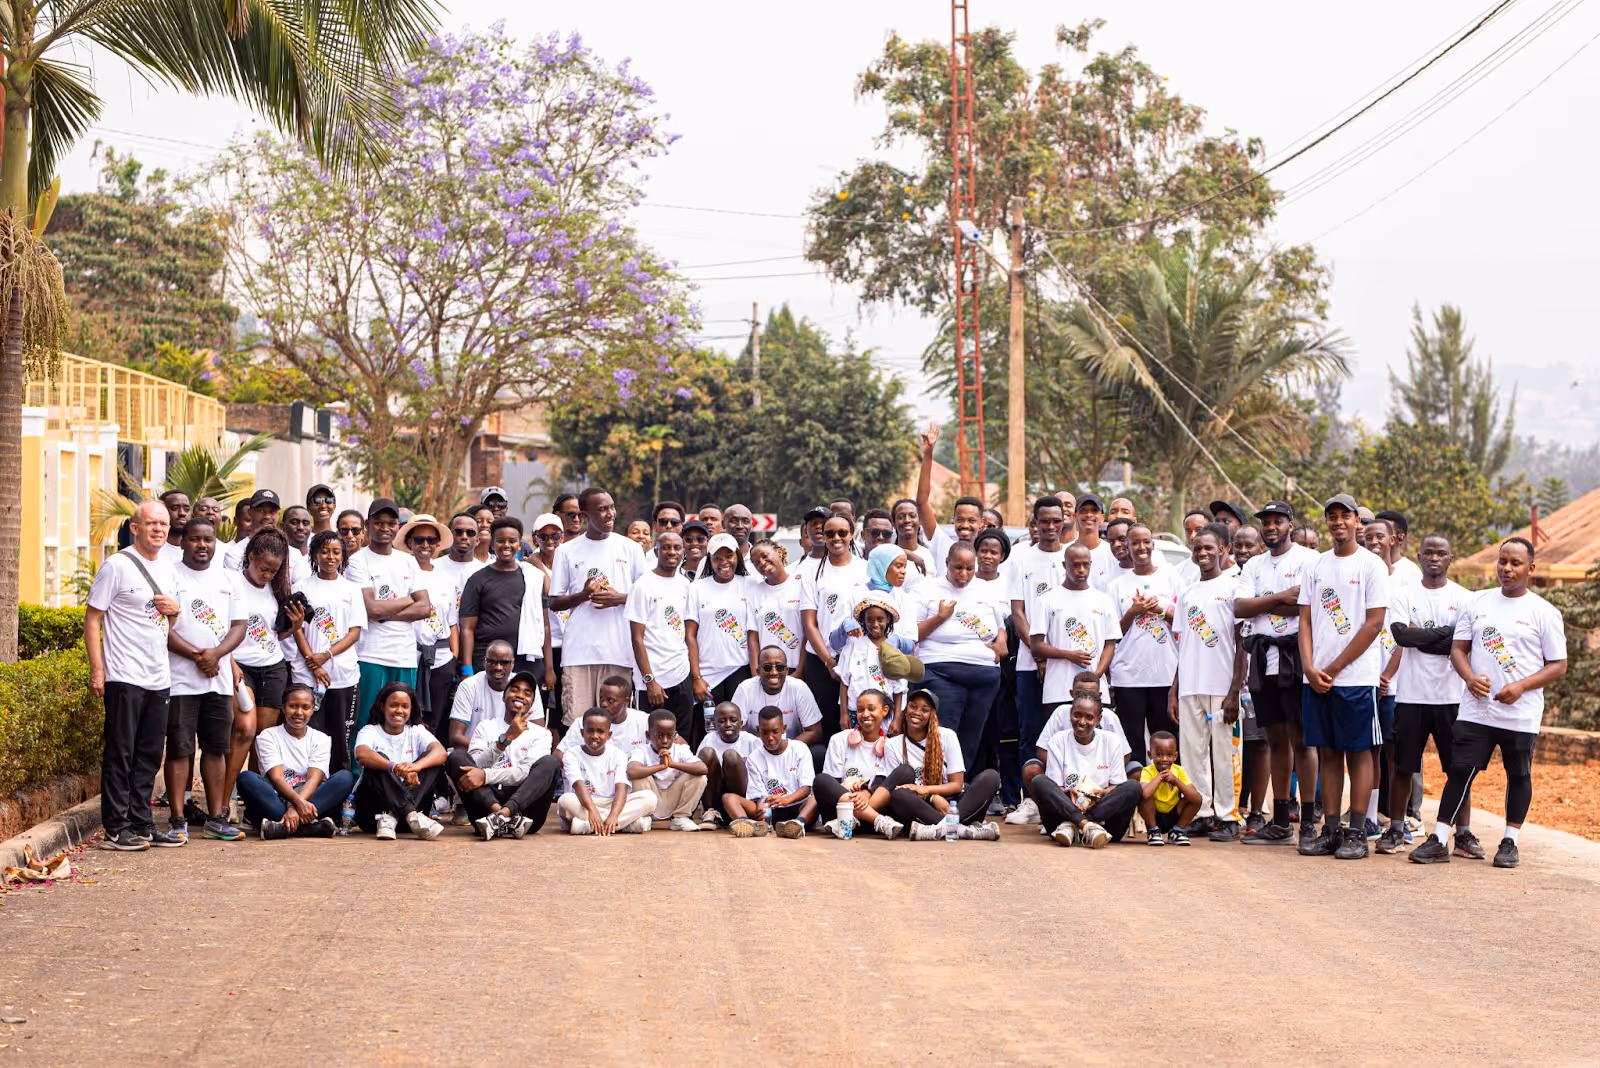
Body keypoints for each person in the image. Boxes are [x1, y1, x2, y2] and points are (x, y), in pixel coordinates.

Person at [1412, 538, 1567, 869]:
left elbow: (1558, 664)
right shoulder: (1477, 603)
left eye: (1515, 563)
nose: (1507, 569)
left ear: (1530, 569)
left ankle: (1510, 841)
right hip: (1477, 709)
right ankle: (1439, 838)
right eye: (1502, 561)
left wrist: (1521, 686)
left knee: (1518, 774)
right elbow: (1458, 649)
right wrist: (1469, 678)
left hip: (1520, 713)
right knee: (1460, 770)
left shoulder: (1544, 612)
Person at [1297, 494, 1390, 860]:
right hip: (1316, 677)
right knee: (1328, 753)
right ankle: (1331, 829)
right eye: (1331, 516)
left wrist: (1334, 668)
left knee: (1359, 752)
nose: (1338, 522)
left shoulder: (1371, 566)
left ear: (1357, 522)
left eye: (1344, 516)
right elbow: (1304, 619)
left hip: (1354, 678)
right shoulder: (1316, 566)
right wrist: (1309, 666)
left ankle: (1356, 833)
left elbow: (1375, 623)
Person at [87, 501, 181, 852]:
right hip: (124, 674)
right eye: (151, 523)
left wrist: (175, 613)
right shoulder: (117, 566)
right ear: (135, 527)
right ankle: (116, 827)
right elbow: (93, 618)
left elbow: (168, 622)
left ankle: (142, 823)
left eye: (164, 524)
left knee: (149, 753)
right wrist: (99, 670)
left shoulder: (170, 569)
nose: (158, 529)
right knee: (120, 752)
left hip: (159, 676)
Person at [1381, 533, 1478, 856]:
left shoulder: (1465, 598)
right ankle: (1396, 829)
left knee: (1458, 769)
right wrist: (1446, 637)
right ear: (1418, 556)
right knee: (1404, 767)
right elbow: (1400, 635)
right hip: (1411, 695)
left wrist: (1422, 636)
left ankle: (1462, 833)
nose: (1434, 558)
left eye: (1441, 553)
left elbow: (1463, 645)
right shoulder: (1404, 594)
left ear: (1451, 558)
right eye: (1428, 553)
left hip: (1452, 697)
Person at [1234, 501, 1319, 846]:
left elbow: (1305, 606)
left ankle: (1310, 821)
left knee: (1302, 739)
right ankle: (1281, 819)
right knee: (1276, 739)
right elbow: (1240, 607)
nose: (1271, 527)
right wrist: (1281, 597)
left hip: (1296, 657)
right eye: (1266, 522)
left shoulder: (1308, 560)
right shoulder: (1254, 563)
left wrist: (1264, 601)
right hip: (1263, 658)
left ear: (1289, 524)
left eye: (1277, 521)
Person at [164, 516, 248, 844]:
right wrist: (199, 656)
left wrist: (216, 655)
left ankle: (215, 819)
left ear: (216, 543)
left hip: (218, 681)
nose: (202, 545)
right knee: (180, 749)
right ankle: (177, 820)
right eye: (195, 539)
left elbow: (239, 626)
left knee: (216, 749)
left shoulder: (229, 578)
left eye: (208, 540)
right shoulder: (169, 576)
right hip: (181, 680)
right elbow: (163, 629)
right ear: (183, 541)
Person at [1170, 527, 1246, 841]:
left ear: (1223, 549)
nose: (1202, 553)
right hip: (1190, 685)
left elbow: (1242, 644)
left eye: (1209, 548)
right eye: (1197, 548)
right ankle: (1201, 812)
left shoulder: (1233, 587)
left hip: (1221, 686)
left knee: (1225, 754)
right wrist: (1174, 690)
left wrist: (1234, 690)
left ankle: (1228, 816)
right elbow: (1182, 643)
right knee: (1192, 753)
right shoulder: (1187, 591)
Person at [549, 487, 646, 727]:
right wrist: (583, 595)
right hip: (578, 653)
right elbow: (554, 602)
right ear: (584, 516)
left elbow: (648, 597)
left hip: (620, 652)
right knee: (578, 725)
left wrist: (620, 598)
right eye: (601, 510)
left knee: (616, 725)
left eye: (611, 507)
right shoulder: (566, 551)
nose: (610, 514)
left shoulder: (630, 548)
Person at [226, 526, 296, 830]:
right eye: (263, 567)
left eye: (274, 569)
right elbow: (218, 626)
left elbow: (276, 633)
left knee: (262, 739)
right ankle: (223, 802)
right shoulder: (231, 583)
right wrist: (228, 660)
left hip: (273, 666)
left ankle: (253, 806)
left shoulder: (277, 588)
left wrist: (294, 625)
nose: (267, 574)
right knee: (244, 729)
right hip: (241, 665)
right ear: (250, 556)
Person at [916, 542, 1007, 771]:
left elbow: (1000, 626)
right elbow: (912, 634)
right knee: (944, 734)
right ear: (946, 563)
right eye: (958, 568)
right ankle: (937, 786)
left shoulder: (986, 589)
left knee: (972, 738)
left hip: (984, 674)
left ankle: (960, 790)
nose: (964, 575)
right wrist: (940, 617)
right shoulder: (926, 589)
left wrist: (1002, 642)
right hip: (941, 670)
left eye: (969, 568)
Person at [1006, 496, 1068, 821]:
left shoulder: (1072, 558)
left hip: (1068, 665)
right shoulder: (1020, 559)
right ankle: (1030, 800)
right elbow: (1018, 614)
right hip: (1031, 663)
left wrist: (1053, 656)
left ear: (1063, 521)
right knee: (1030, 730)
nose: (1050, 527)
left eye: (1056, 520)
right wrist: (1039, 653)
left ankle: (1059, 799)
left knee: (1062, 731)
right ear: (1035, 522)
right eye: (1044, 521)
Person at [346, 498, 432, 731]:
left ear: (397, 526)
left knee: (402, 719)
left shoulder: (408, 561)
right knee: (367, 718)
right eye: (379, 523)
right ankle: (359, 768)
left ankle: (396, 767)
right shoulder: (357, 561)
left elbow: (424, 607)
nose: (385, 528)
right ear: (368, 524)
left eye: (390, 523)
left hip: (404, 653)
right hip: (371, 654)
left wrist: (384, 612)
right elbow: (370, 609)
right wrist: (406, 600)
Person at [446, 669, 561, 840]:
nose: (520, 695)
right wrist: (504, 740)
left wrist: (485, 775)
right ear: (503, 696)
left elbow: (525, 773)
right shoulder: (486, 726)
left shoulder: (542, 734)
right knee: (456, 757)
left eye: (527, 693)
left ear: (532, 703)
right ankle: (498, 814)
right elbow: (473, 766)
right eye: (515, 689)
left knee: (551, 763)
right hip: (485, 809)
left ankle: (503, 815)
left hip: (526, 813)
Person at [287, 530, 365, 772]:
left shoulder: (351, 589)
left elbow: (354, 632)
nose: (330, 557)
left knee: (341, 734)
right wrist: (314, 663)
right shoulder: (301, 587)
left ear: (343, 556)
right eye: (324, 551)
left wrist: (326, 655)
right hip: (307, 676)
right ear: (314, 554)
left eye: (336, 552)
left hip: (342, 676)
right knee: (310, 733)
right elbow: (297, 628)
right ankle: (306, 786)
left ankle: (339, 790)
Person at [237, 683, 353, 839]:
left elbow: (314, 779)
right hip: (278, 797)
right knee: (246, 778)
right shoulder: (268, 736)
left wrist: (296, 808)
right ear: (284, 708)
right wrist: (297, 804)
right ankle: (311, 828)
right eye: (293, 706)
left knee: (345, 777)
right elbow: (276, 777)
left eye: (305, 707)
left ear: (313, 710)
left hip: (310, 798)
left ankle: (281, 828)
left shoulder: (322, 739)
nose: (299, 712)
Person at [883, 688, 1001, 840]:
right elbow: (900, 787)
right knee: (897, 796)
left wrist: (929, 791)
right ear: (905, 710)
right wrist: (931, 798)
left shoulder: (947, 736)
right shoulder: (892, 745)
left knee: (991, 777)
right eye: (913, 706)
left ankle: (939, 829)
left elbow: (957, 785)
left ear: (932, 715)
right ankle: (964, 830)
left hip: (953, 805)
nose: (917, 712)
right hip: (920, 806)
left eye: (925, 710)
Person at [1030, 542, 1120, 739]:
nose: (1081, 570)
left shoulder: (1103, 600)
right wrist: (1068, 655)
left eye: (1085, 565)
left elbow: (1110, 644)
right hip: (1058, 690)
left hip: (1096, 692)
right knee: (1058, 744)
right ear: (1065, 565)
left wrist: (1095, 677)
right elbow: (1036, 645)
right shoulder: (1047, 600)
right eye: (1075, 565)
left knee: (1095, 745)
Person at [1108, 524, 1180, 767]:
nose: (1141, 547)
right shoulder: (1116, 585)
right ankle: (1135, 798)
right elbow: (1111, 632)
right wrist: (1133, 611)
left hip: (1165, 673)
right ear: (1126, 547)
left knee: (1166, 741)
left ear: (1153, 544)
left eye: (1146, 541)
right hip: (1128, 676)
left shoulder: (1171, 577)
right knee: (1133, 742)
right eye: (1135, 543)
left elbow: (1184, 621)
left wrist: (1159, 609)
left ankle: (1167, 799)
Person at [1031, 693, 1142, 848]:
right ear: (1070, 715)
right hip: (1061, 821)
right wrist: (1072, 793)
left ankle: (1080, 824)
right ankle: (1086, 825)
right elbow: (1055, 787)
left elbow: (1116, 786)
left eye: (1089, 717)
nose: (1082, 722)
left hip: (1105, 822)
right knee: (1039, 781)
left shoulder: (1111, 741)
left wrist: (1098, 795)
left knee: (1133, 787)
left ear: (1099, 720)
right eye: (1077, 715)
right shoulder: (1058, 740)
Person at [799, 511, 870, 736]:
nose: (836, 538)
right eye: (830, 533)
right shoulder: (811, 571)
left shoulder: (866, 569)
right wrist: (829, 661)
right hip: (821, 661)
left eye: (842, 532)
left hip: (859, 658)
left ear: (852, 534)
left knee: (860, 721)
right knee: (826, 724)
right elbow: (809, 624)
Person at [627, 529, 697, 745]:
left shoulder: (685, 584)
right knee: (651, 740)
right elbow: (637, 638)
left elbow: (687, 633)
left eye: (677, 547)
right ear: (656, 550)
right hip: (653, 680)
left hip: (681, 674)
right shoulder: (642, 586)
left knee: (681, 739)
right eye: (666, 547)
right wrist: (650, 681)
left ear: (683, 551)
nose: (672, 552)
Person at [459, 517, 551, 683]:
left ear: (520, 544)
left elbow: (544, 625)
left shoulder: (534, 578)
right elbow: (467, 628)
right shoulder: (477, 580)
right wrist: (466, 668)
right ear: (492, 544)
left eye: (512, 541)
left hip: (527, 660)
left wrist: (549, 669)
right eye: (500, 541)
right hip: (488, 660)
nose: (506, 545)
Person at [352, 682, 446, 840]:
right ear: (382, 707)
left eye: (405, 706)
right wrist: (393, 767)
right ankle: (410, 815)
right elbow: (362, 754)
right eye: (393, 705)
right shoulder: (370, 731)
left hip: (407, 819)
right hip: (373, 817)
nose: (399, 711)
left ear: (411, 709)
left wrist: (415, 767)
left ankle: (394, 816)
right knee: (377, 761)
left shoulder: (416, 731)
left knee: (432, 763)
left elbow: (441, 752)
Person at [807, 689, 903, 839]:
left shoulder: (891, 746)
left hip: (868, 814)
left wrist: (866, 794)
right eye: (860, 710)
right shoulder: (839, 739)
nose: (865, 714)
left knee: (900, 776)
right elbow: (832, 783)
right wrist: (853, 795)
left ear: (885, 711)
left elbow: (886, 784)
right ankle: (879, 821)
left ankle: (861, 818)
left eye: (871, 709)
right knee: (821, 780)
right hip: (839, 814)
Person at [401, 514, 461, 742]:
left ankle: (429, 770)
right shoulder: (402, 573)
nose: (425, 545)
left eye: (430, 540)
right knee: (406, 716)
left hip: (442, 658)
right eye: (418, 540)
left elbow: (453, 622)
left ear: (437, 544)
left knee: (434, 719)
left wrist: (454, 658)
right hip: (409, 656)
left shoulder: (446, 577)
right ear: (409, 543)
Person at [686, 533, 759, 714]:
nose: (724, 562)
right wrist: (696, 678)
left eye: (729, 556)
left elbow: (753, 634)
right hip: (708, 675)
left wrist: (755, 674)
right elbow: (690, 635)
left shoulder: (750, 584)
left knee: (740, 728)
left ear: (738, 557)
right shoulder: (697, 588)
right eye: (717, 558)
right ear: (709, 560)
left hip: (741, 671)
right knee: (708, 730)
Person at [558, 708, 656, 835]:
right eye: (590, 731)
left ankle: (588, 826)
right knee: (565, 800)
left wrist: (614, 815)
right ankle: (624, 825)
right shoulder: (571, 755)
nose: (594, 736)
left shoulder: (618, 755)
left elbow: (621, 789)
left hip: (612, 804)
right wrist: (592, 810)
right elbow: (578, 784)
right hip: (585, 804)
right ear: (582, 733)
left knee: (650, 798)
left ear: (609, 735)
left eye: (600, 731)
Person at [724, 706, 815, 838]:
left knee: (816, 797)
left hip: (797, 806)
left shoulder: (800, 749)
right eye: (764, 732)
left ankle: (797, 824)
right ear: (758, 731)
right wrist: (763, 811)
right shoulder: (754, 757)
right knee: (729, 798)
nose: (770, 738)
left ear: (784, 729)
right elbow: (758, 795)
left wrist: (786, 800)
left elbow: (806, 788)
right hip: (770, 809)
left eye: (775, 731)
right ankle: (748, 824)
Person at [830, 593, 912, 735]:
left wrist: (897, 718)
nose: (875, 624)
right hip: (856, 713)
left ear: (888, 620)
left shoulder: (894, 647)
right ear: (863, 620)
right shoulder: (853, 643)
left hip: (885, 716)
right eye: (870, 619)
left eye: (880, 619)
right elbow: (844, 682)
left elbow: (900, 688)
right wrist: (844, 714)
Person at [913, 422, 984, 579]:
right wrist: (928, 455)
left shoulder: (988, 556)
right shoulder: (942, 543)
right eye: (960, 519)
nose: (965, 525)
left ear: (982, 523)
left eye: (971, 520)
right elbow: (922, 502)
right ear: (953, 521)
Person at [627, 709, 709, 831]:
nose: (665, 740)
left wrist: (673, 764)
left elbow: (703, 768)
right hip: (650, 801)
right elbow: (632, 771)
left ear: (675, 735)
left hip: (673, 800)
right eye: (659, 735)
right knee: (640, 774)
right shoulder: (641, 750)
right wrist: (661, 766)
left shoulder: (681, 750)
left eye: (669, 735)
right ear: (648, 735)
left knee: (699, 776)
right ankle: (645, 817)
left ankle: (680, 817)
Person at [731, 646, 824, 752]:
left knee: (818, 752)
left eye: (779, 667)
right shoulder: (745, 689)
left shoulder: (799, 687)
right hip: (755, 752)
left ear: (786, 670)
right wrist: (761, 751)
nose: (774, 672)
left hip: (792, 750)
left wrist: (785, 750)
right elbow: (736, 729)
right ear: (758, 671)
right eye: (767, 667)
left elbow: (815, 731)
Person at [696, 701, 760, 830]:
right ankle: (710, 812)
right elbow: (698, 771)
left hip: (739, 797)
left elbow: (761, 773)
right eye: (722, 721)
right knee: (707, 753)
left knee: (731, 756)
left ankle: (737, 811)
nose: (728, 724)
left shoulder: (751, 741)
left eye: (733, 720)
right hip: (716, 796)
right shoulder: (709, 739)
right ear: (714, 724)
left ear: (741, 723)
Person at [555, 675, 649, 763]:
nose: (604, 704)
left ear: (627, 700)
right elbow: (558, 754)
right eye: (601, 698)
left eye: (610, 700)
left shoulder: (643, 721)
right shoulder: (584, 722)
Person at [747, 540, 806, 673]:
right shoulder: (754, 591)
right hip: (768, 670)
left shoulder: (801, 585)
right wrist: (756, 672)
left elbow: (808, 632)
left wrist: (800, 670)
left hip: (797, 667)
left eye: (764, 556)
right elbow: (753, 637)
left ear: (779, 552)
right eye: (755, 562)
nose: (761, 563)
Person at [449, 641, 520, 747]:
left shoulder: (525, 687)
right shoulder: (469, 686)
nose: (498, 667)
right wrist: (493, 750)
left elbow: (539, 733)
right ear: (484, 662)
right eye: (492, 662)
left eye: (504, 663)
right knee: (457, 757)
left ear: (513, 663)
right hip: (474, 752)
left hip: (513, 756)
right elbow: (455, 737)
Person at [1138, 731, 1202, 846]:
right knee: (1142, 796)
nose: (1164, 759)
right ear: (1149, 754)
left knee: (1195, 798)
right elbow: (1145, 794)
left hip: (1174, 813)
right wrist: (1159, 777)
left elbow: (1196, 797)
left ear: (1175, 756)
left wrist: (1176, 781)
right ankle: (1153, 831)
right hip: (1154, 815)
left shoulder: (1179, 771)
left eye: (1169, 755)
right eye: (1158, 755)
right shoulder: (1147, 771)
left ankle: (1177, 831)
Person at [1072, 494, 1118, 594]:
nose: (1089, 515)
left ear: (1102, 517)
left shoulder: (1112, 553)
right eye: (1083, 510)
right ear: (1075, 516)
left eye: (1094, 510)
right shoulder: (1067, 552)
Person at [1375, 510, 1421, 587]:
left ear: (1401, 537)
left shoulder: (1411, 572)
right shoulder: (1367, 566)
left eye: (1386, 531)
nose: (1376, 539)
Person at [891, 496, 933, 577]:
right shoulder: (886, 554)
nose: (907, 520)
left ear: (920, 521)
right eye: (901, 517)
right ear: (893, 523)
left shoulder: (929, 555)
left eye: (912, 516)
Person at [157, 490, 190, 564]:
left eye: (186, 509)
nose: (182, 513)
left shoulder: (198, 550)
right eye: (174, 508)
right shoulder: (153, 549)